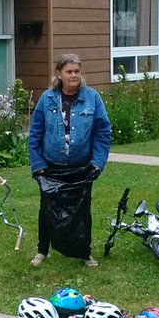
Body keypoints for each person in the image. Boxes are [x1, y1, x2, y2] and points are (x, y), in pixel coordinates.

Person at [29, 53, 112, 268]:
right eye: (69, 71)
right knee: (46, 209)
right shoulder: (47, 99)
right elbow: (35, 133)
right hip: (52, 166)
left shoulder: (92, 98)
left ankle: (85, 253)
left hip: (81, 166)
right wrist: (37, 165)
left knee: (83, 210)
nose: (73, 75)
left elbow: (103, 131)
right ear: (59, 74)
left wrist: (97, 163)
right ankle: (42, 251)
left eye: (77, 71)